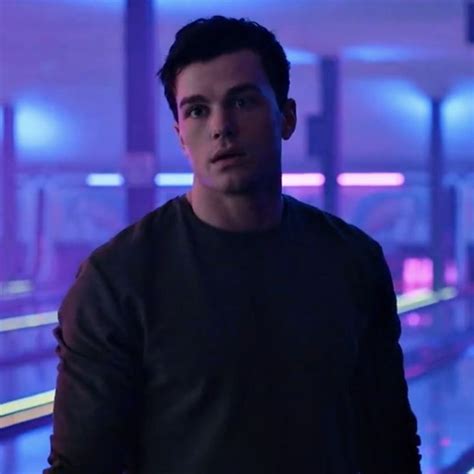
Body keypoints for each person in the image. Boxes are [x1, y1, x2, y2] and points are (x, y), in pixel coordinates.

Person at [45, 16, 421, 474]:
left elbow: (391, 445)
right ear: (180, 134)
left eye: (241, 101)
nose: (221, 127)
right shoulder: (116, 280)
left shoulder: (353, 261)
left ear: (286, 117)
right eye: (197, 110)